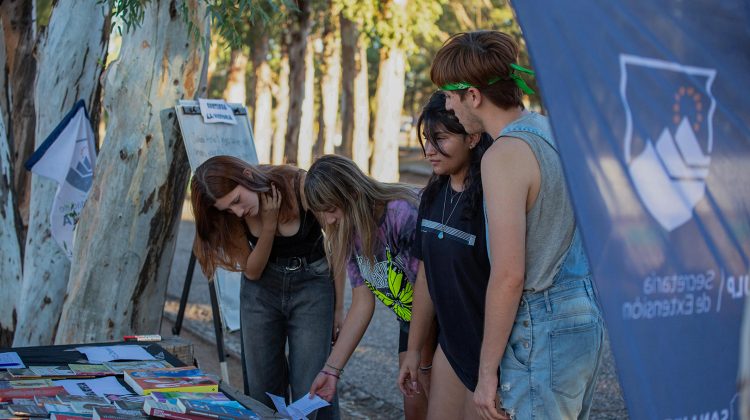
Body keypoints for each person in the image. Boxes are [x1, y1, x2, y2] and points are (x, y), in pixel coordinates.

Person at [431, 30, 605, 419]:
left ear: (473, 95)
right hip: (584, 317)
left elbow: (509, 274)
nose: (447, 106)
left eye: (449, 95)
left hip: (541, 327)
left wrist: (487, 371)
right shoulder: (554, 131)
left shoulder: (505, 154)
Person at [190, 156, 339, 419]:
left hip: (312, 288)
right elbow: (253, 271)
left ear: (247, 176)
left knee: (311, 389)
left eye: (236, 201)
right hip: (260, 293)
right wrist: (269, 226)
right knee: (261, 389)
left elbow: (339, 246)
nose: (236, 212)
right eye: (227, 209)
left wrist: (339, 309)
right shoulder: (234, 216)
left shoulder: (299, 184)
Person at [304, 155, 436, 419]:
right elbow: (363, 302)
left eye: (332, 209)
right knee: (415, 407)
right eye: (323, 213)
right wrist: (331, 371)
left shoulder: (402, 214)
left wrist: (418, 355)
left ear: (352, 192)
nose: (329, 221)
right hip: (411, 323)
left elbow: (428, 292)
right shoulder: (350, 230)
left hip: (441, 321)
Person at [397, 91, 494, 419]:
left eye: (440, 139)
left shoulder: (493, 198)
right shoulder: (433, 195)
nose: (429, 150)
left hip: (493, 356)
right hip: (451, 349)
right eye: (426, 139)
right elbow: (426, 277)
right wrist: (413, 349)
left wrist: (491, 369)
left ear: (472, 137)